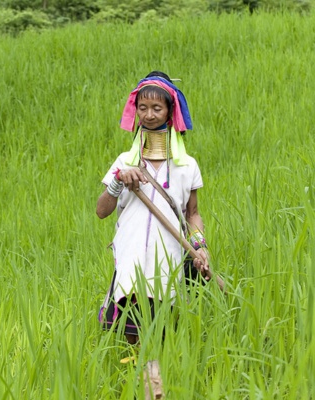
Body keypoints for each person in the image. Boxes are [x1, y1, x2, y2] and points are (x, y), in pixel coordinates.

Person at [96, 71, 209, 346]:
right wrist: (118, 181)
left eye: (156, 108)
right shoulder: (124, 161)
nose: (148, 115)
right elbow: (101, 211)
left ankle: (161, 377)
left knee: (165, 329)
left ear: (170, 112)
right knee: (130, 331)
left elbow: (192, 213)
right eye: (143, 108)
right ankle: (135, 377)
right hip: (131, 256)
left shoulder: (187, 165)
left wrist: (200, 244)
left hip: (168, 258)